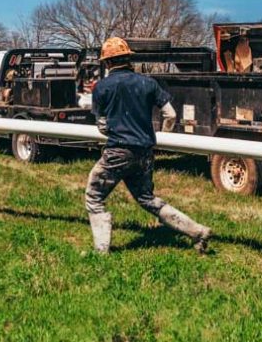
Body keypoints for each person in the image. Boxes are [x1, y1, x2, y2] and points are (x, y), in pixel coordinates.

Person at [85, 37, 212, 254]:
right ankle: (197, 231)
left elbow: (102, 125)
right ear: (129, 58)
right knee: (147, 199)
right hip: (144, 152)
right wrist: (163, 134)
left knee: (94, 196)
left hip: (117, 151)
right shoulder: (148, 83)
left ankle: (101, 251)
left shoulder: (102, 87)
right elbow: (170, 114)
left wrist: (114, 131)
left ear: (107, 63)